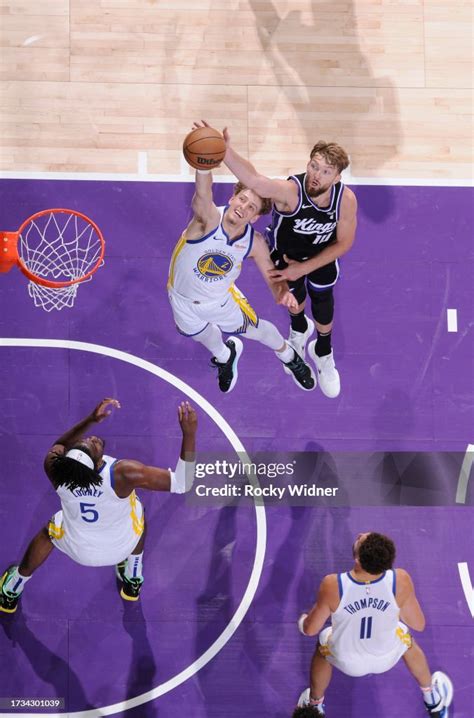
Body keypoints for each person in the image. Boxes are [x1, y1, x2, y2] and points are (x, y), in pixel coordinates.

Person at [0, 398, 197, 613]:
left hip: (78, 549)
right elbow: (183, 483)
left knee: (48, 533)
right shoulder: (123, 474)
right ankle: (133, 579)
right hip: (122, 546)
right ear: (97, 464)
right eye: (91, 445)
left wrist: (91, 420)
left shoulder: (56, 471)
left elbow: (60, 445)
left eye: (85, 441)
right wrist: (189, 434)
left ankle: (13, 587)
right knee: (137, 513)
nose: (92, 439)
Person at [168, 135, 315, 393]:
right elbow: (203, 194)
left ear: (256, 216)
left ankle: (288, 355)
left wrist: (283, 294)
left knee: (257, 330)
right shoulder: (207, 220)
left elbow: (272, 277)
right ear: (234, 197)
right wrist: (203, 165)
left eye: (251, 207)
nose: (244, 207)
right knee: (202, 335)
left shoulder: (254, 242)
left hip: (220, 301)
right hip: (180, 299)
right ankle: (226, 356)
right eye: (243, 200)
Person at [222, 125, 358, 398]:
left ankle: (322, 351)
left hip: (320, 258)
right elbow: (257, 181)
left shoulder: (345, 200)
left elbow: (344, 243)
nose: (316, 175)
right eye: (314, 166)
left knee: (322, 302)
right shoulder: (290, 192)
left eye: (325, 171)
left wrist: (305, 268)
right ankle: (299, 329)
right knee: (292, 299)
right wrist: (225, 151)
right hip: (284, 256)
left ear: (337, 176)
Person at [293, 532, 453, 717]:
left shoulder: (333, 584)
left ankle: (315, 705)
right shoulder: (400, 580)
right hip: (386, 656)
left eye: (361, 539)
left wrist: (303, 621)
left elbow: (310, 629)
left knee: (323, 644)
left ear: (358, 559)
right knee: (406, 637)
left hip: (346, 661)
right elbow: (418, 624)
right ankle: (433, 700)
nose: (360, 534)